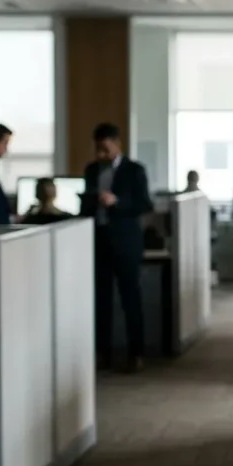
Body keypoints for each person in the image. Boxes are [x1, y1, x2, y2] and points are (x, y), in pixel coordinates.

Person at [81, 123, 153, 373]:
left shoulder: (134, 170)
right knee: (100, 301)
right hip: (98, 241)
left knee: (130, 298)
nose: (100, 154)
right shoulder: (91, 170)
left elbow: (144, 204)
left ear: (116, 143)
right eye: (97, 149)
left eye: (105, 148)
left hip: (125, 243)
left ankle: (136, 353)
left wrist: (116, 202)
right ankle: (103, 353)